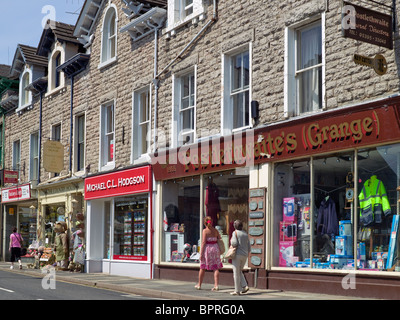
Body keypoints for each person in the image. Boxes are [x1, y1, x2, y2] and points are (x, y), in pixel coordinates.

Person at [195, 216, 223, 291]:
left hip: (207, 250)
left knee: (202, 267)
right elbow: (219, 239)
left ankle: (199, 284)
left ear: (205, 223)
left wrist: (201, 253)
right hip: (216, 249)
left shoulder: (205, 231)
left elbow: (204, 242)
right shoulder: (216, 230)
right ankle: (216, 285)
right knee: (216, 268)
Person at [230, 219, 251, 295]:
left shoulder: (235, 233)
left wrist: (231, 241)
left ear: (235, 226)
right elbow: (249, 247)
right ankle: (245, 286)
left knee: (236, 273)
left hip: (237, 255)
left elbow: (234, 243)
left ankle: (237, 290)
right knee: (239, 271)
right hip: (245, 255)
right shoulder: (245, 234)